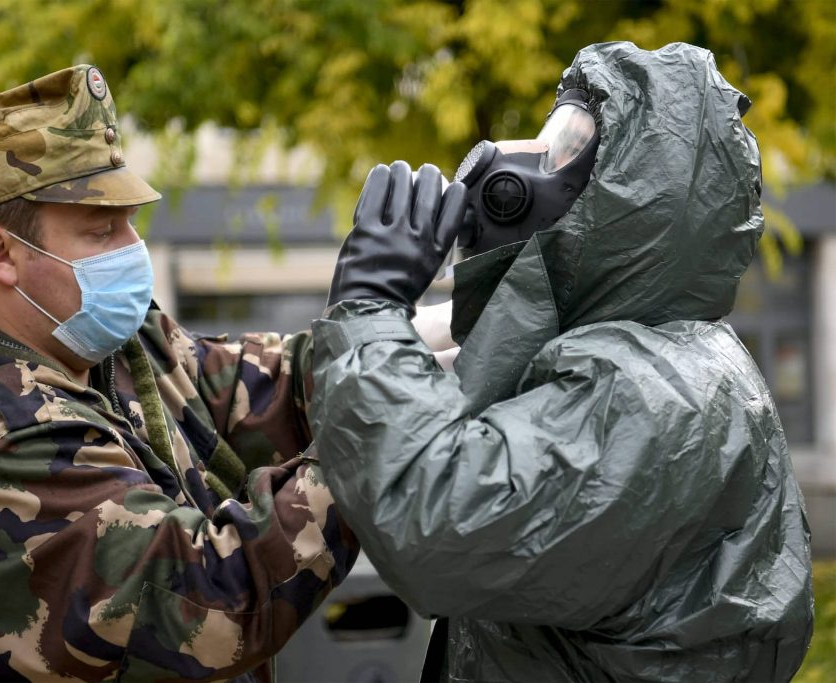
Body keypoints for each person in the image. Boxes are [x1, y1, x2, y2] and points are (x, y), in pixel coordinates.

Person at [0, 64, 359, 682]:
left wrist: (391, 326)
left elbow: (274, 385)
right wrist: (374, 433)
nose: (132, 248)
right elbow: (207, 598)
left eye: (130, 222)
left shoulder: (112, 356)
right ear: (1, 254)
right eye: (102, 229)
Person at [310, 42, 814, 682]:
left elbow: (440, 527)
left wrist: (368, 310)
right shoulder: (651, 353)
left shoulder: (648, 393)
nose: (528, 161)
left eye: (570, 147)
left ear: (641, 198)